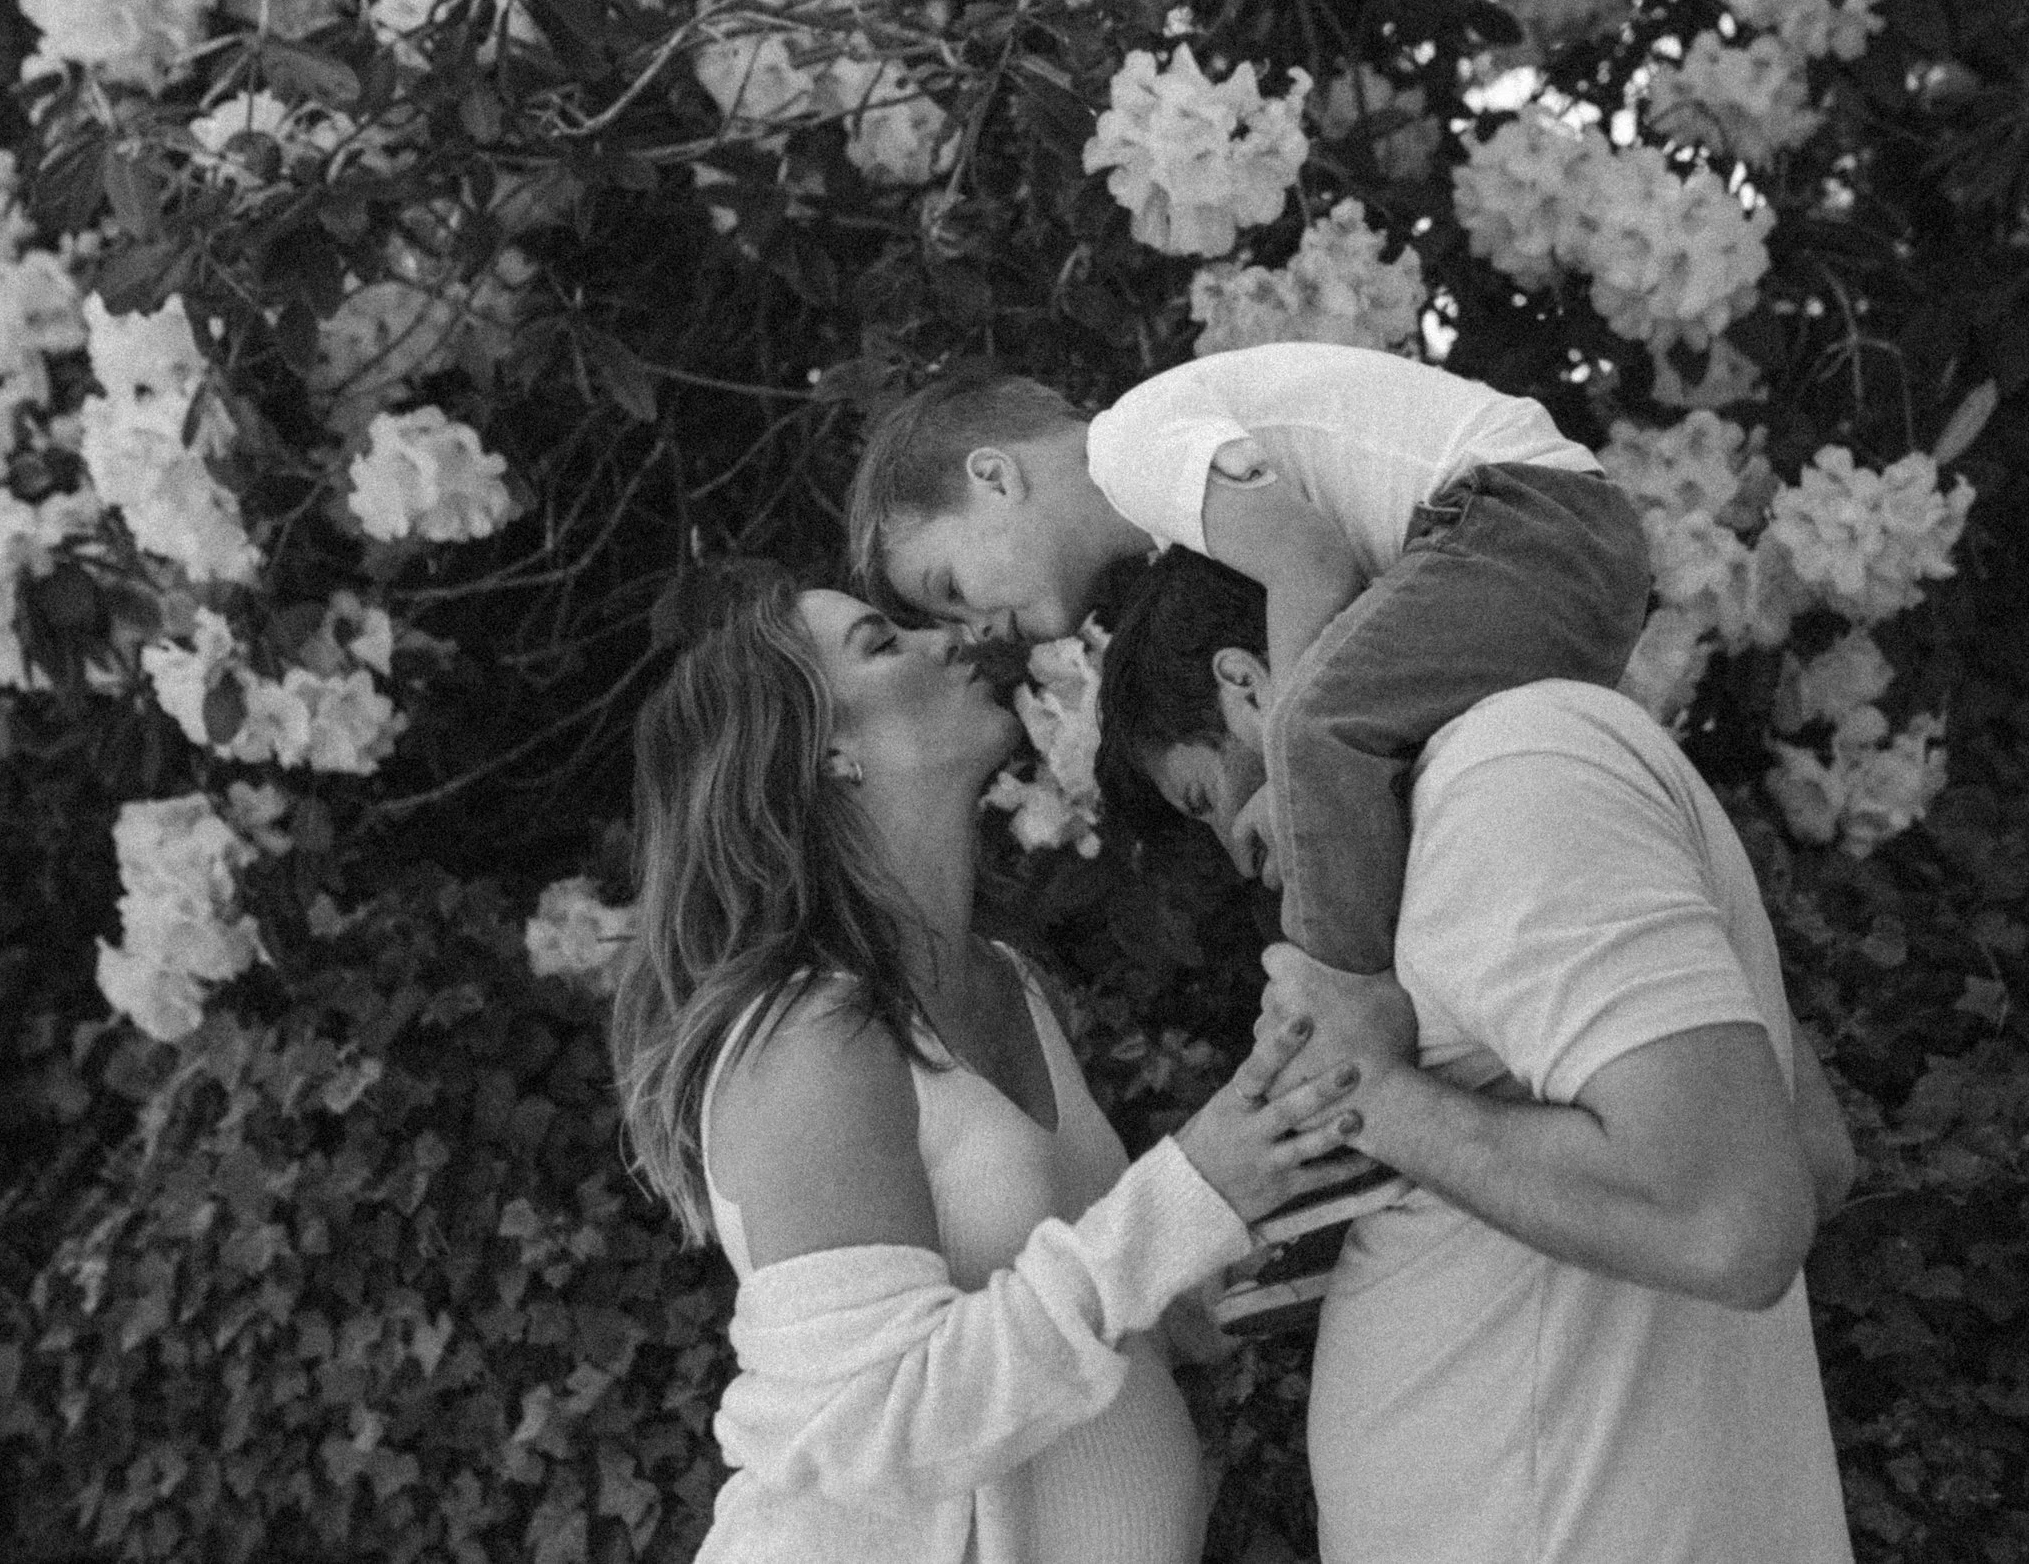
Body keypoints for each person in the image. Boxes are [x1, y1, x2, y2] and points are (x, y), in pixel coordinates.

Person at [1096, 547, 1860, 1564]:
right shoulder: (1506, 784)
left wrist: (1368, 1091)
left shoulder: (1509, 775)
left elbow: (1732, 1222)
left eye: (1206, 799)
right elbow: (1809, 1156)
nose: (1238, 856)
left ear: (1247, 688)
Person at [606, 558, 1375, 1564]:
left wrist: (1223, 1226)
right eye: (884, 643)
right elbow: (870, 1428)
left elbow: (1077, 1296)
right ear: (822, 749)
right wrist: (1190, 1193)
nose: (947, 639)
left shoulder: (1003, 978)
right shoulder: (806, 1040)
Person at [845, 342, 1651, 980]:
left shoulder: (1130, 446)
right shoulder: (1172, 519)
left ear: (993, 476)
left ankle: (1340, 1001)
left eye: (950, 587)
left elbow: (1311, 565)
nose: (975, 630)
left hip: (1524, 522)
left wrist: (1283, 778)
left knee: (1314, 734)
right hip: (1553, 545)